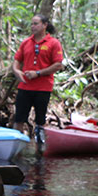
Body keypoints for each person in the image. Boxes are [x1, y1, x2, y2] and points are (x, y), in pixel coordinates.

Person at [12, 13, 64, 144]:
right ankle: (13, 147)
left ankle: (41, 149)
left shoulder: (54, 43)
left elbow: (58, 65)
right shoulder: (26, 42)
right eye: (32, 24)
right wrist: (16, 71)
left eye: (36, 24)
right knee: (19, 118)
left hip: (43, 88)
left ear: (44, 25)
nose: (32, 26)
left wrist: (38, 73)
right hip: (25, 87)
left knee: (40, 120)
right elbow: (17, 60)